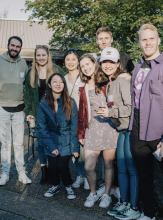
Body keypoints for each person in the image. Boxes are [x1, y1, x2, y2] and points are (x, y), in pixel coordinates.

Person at [129, 24, 163, 220]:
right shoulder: (138, 66)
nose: (148, 43)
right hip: (138, 133)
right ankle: (149, 214)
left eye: (151, 39)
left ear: (158, 40)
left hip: (160, 136)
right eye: (144, 39)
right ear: (139, 43)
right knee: (145, 177)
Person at [97, 47, 140, 219]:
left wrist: (110, 113)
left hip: (130, 130)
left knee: (131, 169)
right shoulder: (110, 84)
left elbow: (131, 109)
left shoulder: (123, 82)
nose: (107, 65)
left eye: (111, 62)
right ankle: (123, 203)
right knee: (121, 168)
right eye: (104, 62)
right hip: (121, 130)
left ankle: (134, 207)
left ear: (118, 64)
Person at [95, 26, 135, 199]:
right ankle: (110, 186)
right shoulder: (98, 62)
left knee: (126, 164)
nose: (103, 41)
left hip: (124, 121)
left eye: (106, 38)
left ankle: (126, 198)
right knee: (110, 159)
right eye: (100, 39)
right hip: (111, 119)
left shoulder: (123, 58)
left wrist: (130, 77)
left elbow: (136, 79)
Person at [0, 36, 31, 186]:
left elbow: (27, 86)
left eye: (18, 46)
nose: (14, 48)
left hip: (19, 110)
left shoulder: (23, 63)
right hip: (2, 110)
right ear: (8, 45)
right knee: (5, 144)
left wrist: (27, 107)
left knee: (19, 144)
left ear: (20, 48)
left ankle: (21, 173)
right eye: (12, 45)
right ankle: (5, 173)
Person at [78, 54, 119, 208]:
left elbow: (117, 102)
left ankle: (107, 194)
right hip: (92, 129)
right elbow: (81, 113)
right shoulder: (83, 87)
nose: (86, 68)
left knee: (108, 164)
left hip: (110, 128)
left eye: (88, 64)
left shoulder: (107, 82)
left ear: (94, 63)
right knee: (88, 166)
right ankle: (93, 193)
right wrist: (80, 133)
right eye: (83, 66)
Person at [24, 45, 65, 185]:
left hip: (54, 112)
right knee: (41, 143)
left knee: (56, 141)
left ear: (48, 56)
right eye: (38, 55)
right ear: (35, 57)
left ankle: (56, 169)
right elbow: (28, 96)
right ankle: (44, 170)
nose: (41, 58)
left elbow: (66, 86)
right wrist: (29, 112)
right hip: (38, 113)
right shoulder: (31, 72)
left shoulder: (57, 70)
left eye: (43, 55)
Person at [37, 73, 79, 199]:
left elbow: (74, 126)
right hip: (51, 139)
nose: (58, 84)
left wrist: (75, 148)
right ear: (49, 85)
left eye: (61, 81)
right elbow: (42, 128)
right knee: (53, 166)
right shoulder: (43, 104)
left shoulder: (70, 102)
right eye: (55, 81)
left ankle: (68, 186)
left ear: (64, 85)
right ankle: (55, 185)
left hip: (66, 140)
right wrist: (51, 146)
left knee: (62, 165)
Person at [63, 49, 90, 190]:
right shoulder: (63, 78)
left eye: (73, 59)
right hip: (69, 118)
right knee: (75, 150)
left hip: (84, 118)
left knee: (84, 150)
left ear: (78, 61)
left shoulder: (84, 76)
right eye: (68, 59)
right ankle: (79, 176)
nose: (71, 62)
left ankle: (87, 176)